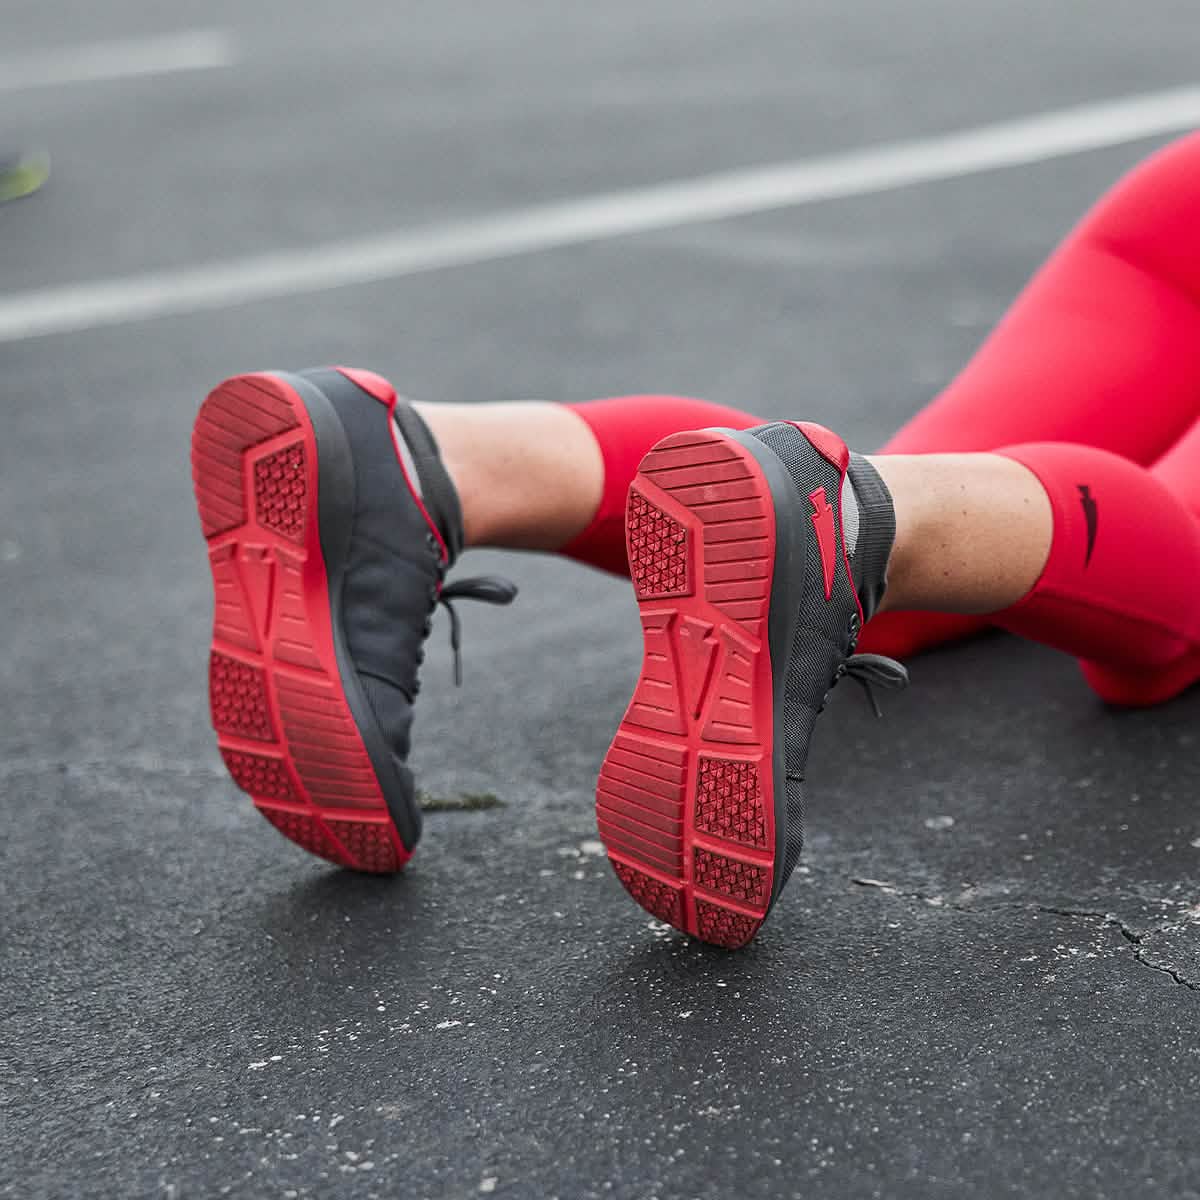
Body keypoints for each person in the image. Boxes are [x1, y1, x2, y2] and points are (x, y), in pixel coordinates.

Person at [190, 131, 1200, 948]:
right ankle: (849, 528)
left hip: (1169, 210)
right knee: (1172, 585)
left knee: (919, 537)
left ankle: (420, 461)